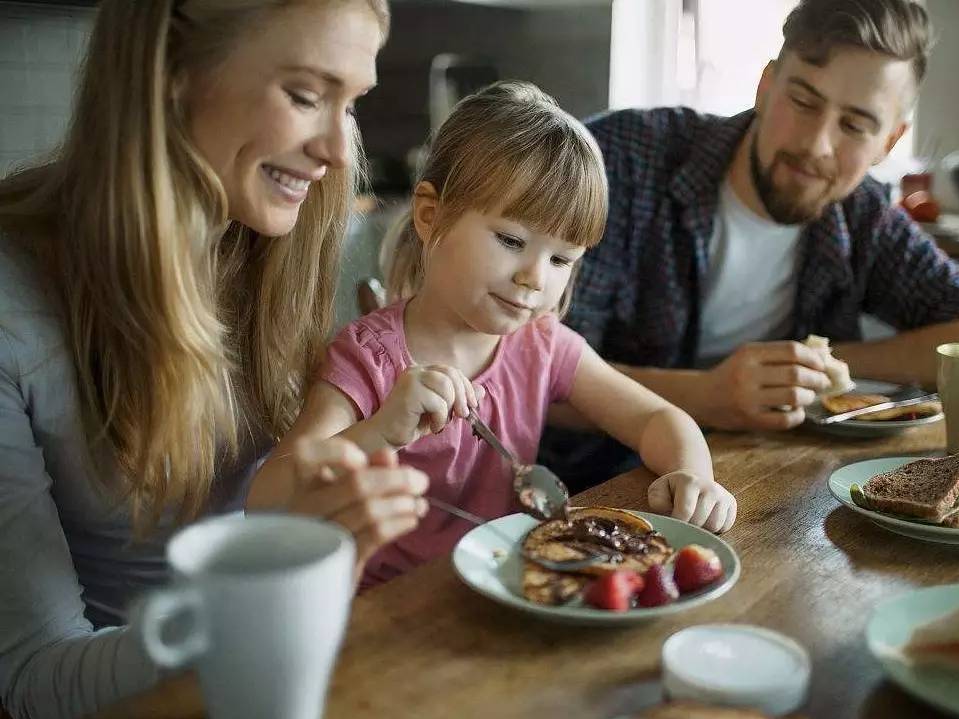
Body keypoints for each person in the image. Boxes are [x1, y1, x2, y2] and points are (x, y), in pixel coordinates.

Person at [0, 2, 429, 719]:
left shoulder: (268, 243)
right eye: (304, 94)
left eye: (349, 102)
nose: (334, 147)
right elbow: (37, 686)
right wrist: (261, 588)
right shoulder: (14, 304)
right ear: (170, 75)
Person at [249, 82, 738, 590]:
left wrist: (692, 476)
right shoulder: (370, 357)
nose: (535, 276)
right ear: (429, 215)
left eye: (561, 259)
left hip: (500, 590)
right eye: (511, 240)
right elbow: (266, 496)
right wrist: (382, 432)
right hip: (387, 606)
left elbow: (656, 417)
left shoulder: (542, 345)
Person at [543, 0, 959, 491]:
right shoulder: (619, 160)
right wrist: (707, 394)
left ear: (888, 142)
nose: (817, 144)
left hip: (767, 490)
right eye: (803, 101)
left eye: (854, 125)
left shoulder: (863, 216)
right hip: (593, 489)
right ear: (765, 87)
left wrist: (816, 366)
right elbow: (524, 368)